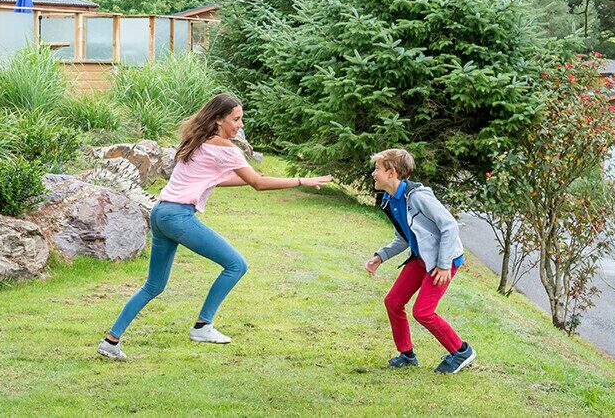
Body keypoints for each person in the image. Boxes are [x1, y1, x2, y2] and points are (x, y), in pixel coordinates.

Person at [97, 94, 332, 360]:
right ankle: (202, 325)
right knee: (236, 265)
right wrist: (302, 180)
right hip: (178, 217)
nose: (240, 125)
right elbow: (258, 184)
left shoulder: (196, 140)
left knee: (154, 286)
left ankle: (110, 341)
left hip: (160, 213)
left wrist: (252, 178)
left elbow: (215, 180)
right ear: (219, 120)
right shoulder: (224, 148)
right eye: (236, 119)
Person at [365, 148, 475, 374]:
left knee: (423, 312)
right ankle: (407, 355)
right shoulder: (390, 200)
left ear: (391, 173)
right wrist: (381, 256)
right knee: (393, 302)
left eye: (376, 169)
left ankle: (461, 351)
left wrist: (444, 264)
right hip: (421, 258)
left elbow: (449, 225)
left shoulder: (417, 196)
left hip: (443, 260)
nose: (373, 174)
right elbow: (404, 237)